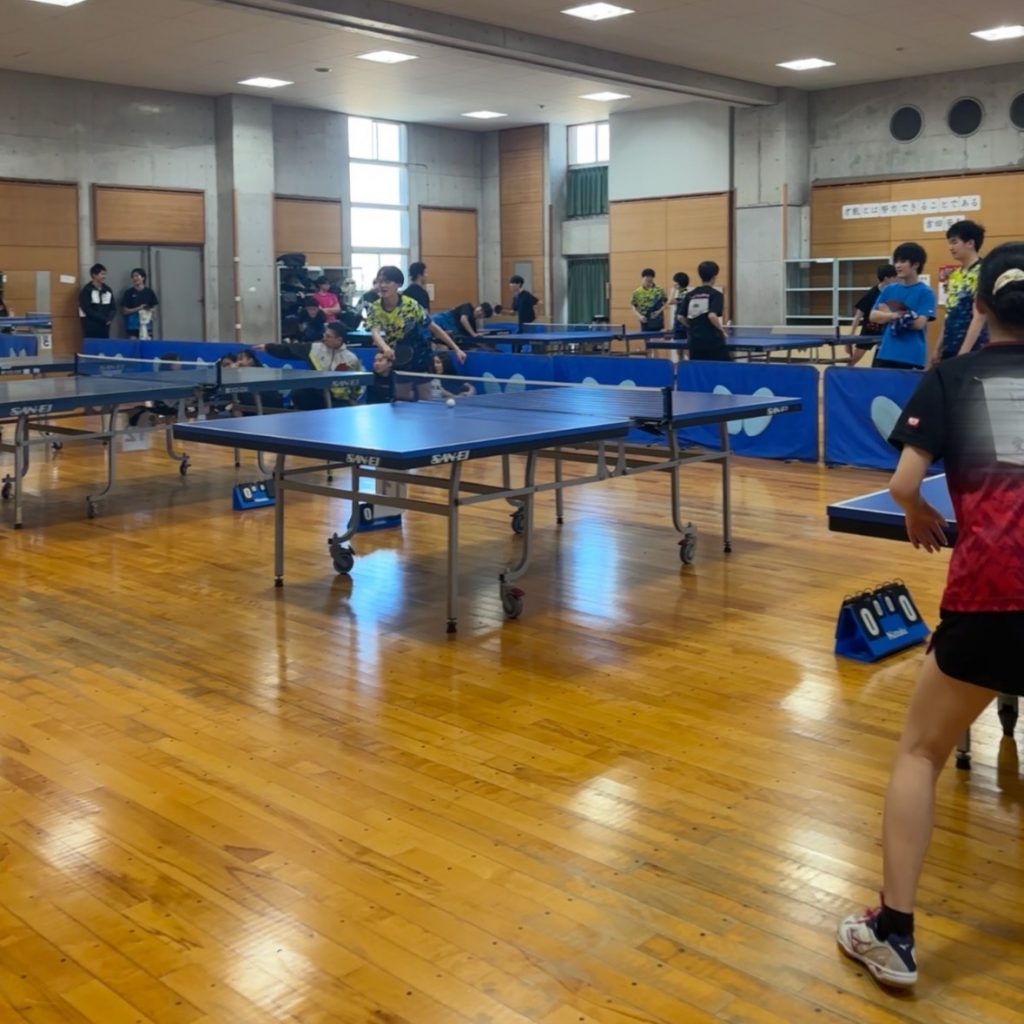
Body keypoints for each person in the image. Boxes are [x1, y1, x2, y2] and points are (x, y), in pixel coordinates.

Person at [836, 241, 1024, 990]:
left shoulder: (951, 376)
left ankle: (894, 935)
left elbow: (903, 483)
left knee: (919, 753)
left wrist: (918, 515)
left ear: (979, 306)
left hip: (990, 595)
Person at [365, 265, 466, 399]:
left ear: (398, 284)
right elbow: (375, 332)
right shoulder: (375, 308)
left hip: (420, 353)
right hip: (400, 355)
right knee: (402, 397)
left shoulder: (411, 305)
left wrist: (456, 349)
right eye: (380, 281)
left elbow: (433, 327)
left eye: (387, 282)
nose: (382, 285)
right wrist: (385, 348)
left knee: (425, 397)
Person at [256, 322, 364, 408]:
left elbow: (360, 384)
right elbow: (290, 350)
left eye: (328, 336)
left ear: (339, 339)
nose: (324, 338)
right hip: (319, 394)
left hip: (340, 400)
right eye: (324, 334)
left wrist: (353, 398)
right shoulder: (315, 348)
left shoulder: (351, 359)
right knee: (299, 394)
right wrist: (268, 348)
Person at [869, 243, 936, 369]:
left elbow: (919, 324)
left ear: (916, 264)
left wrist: (887, 314)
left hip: (911, 357)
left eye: (903, 261)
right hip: (886, 353)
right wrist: (896, 315)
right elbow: (873, 316)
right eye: (896, 261)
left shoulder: (926, 292)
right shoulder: (889, 289)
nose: (898, 265)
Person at [936, 219, 988, 362]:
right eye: (949, 243)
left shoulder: (983, 272)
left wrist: (963, 354)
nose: (950, 247)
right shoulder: (954, 275)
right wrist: (937, 348)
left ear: (970, 243)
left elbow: (979, 317)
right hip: (949, 349)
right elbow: (949, 314)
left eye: (954, 242)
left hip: (973, 352)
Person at [848, 264, 896, 366]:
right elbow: (858, 315)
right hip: (869, 330)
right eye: (894, 277)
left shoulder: (894, 292)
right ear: (886, 278)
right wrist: (850, 336)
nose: (896, 279)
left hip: (884, 331)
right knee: (854, 360)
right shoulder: (872, 293)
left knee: (882, 360)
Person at [683, 261, 730, 361]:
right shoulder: (716, 294)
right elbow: (712, 315)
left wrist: (692, 326)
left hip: (694, 342)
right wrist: (722, 330)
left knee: (699, 368)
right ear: (714, 277)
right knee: (724, 366)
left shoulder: (690, 295)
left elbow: (680, 317)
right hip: (712, 342)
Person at [79, 263, 116, 339]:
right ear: (94, 275)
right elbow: (86, 308)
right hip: (91, 325)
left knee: (104, 344)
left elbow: (113, 307)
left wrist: (109, 318)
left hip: (105, 325)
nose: (104, 276)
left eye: (105, 274)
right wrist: (102, 318)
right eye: (102, 274)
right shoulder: (87, 290)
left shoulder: (107, 289)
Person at [121, 268, 159, 340]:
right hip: (133, 325)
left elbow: (154, 309)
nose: (135, 278)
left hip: (146, 324)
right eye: (133, 276)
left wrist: (149, 310)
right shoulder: (128, 293)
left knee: (147, 343)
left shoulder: (149, 292)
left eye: (137, 276)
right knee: (133, 343)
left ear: (143, 278)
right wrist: (139, 308)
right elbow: (124, 311)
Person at [630, 268, 666, 333]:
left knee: (659, 339)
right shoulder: (637, 292)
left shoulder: (659, 290)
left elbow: (666, 303)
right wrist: (639, 316)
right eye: (646, 278)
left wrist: (658, 311)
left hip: (658, 321)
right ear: (643, 278)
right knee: (646, 339)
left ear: (653, 278)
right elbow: (633, 306)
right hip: (645, 321)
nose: (649, 280)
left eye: (650, 278)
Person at [669, 271, 690, 340]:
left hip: (681, 323)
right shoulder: (684, 292)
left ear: (678, 283)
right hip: (682, 323)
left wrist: (673, 289)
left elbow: (670, 301)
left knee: (680, 343)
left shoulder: (683, 293)